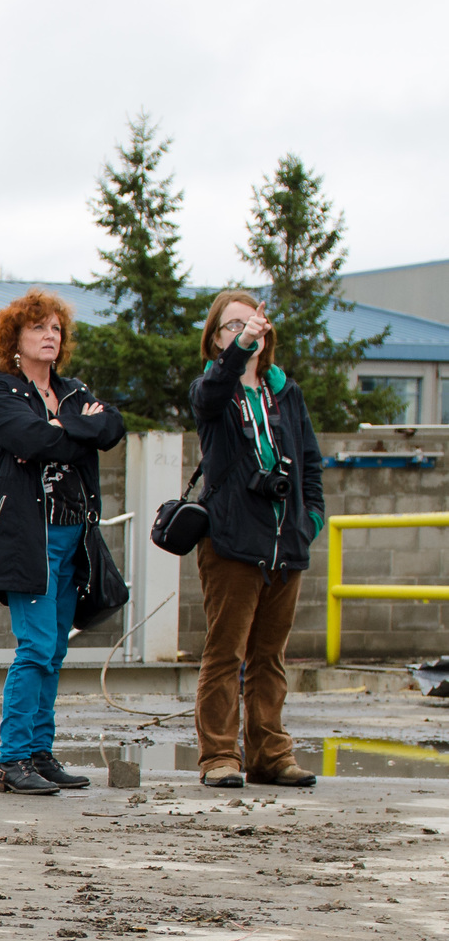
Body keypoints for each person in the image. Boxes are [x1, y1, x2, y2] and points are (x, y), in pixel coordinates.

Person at [0, 288, 126, 795]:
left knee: (56, 650)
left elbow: (111, 426)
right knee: (36, 648)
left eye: (56, 329)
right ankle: (11, 760)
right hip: (29, 541)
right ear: (15, 339)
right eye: (39, 327)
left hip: (73, 537)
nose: (50, 336)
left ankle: (40, 753)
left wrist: (66, 424)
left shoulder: (72, 389)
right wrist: (70, 431)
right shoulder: (3, 391)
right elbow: (30, 440)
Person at [190, 289, 325, 789]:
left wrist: (310, 520)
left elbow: (309, 464)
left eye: (254, 325)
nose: (247, 331)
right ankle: (219, 756)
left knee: (270, 656)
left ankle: (270, 753)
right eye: (233, 326)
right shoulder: (213, 388)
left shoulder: (285, 392)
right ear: (216, 337)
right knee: (226, 653)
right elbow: (210, 395)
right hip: (232, 544)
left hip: (285, 545)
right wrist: (237, 351)